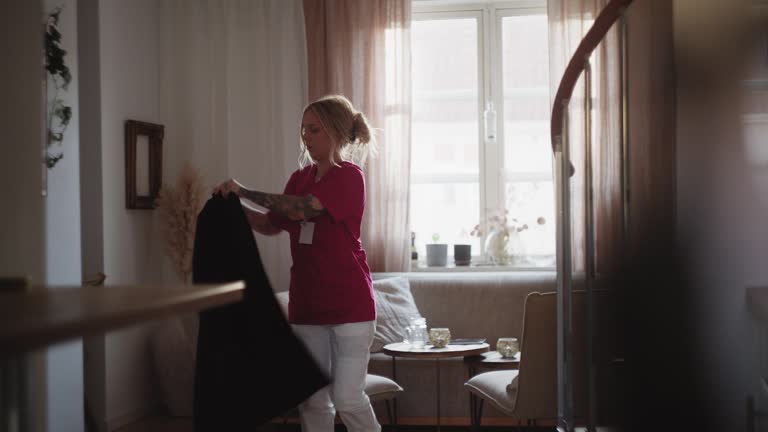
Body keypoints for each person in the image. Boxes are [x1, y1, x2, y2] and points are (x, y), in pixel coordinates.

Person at [212, 94, 380, 432]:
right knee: (314, 401)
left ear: (334, 132)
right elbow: (271, 224)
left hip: (351, 307)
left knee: (347, 398)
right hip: (307, 305)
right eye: (304, 129)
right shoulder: (299, 179)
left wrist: (244, 191)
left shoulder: (350, 177)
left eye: (315, 129)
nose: (306, 136)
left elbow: (304, 209)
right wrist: (231, 206)